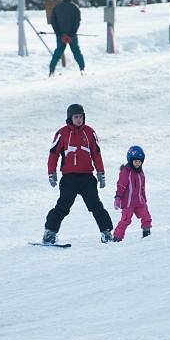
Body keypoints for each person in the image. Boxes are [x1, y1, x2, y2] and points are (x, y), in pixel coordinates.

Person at [43, 103, 113, 244]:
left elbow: (96, 154)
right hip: (69, 178)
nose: (79, 120)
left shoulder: (89, 132)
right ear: (70, 118)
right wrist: (52, 172)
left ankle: (106, 233)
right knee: (63, 206)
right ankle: (50, 233)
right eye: (76, 117)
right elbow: (53, 154)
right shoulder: (62, 133)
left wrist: (101, 173)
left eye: (81, 117)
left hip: (87, 177)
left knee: (96, 205)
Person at [113, 146, 152, 242]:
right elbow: (121, 186)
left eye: (139, 161)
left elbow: (142, 188)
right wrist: (118, 198)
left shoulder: (141, 173)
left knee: (146, 217)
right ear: (130, 160)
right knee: (126, 220)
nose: (137, 164)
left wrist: (144, 200)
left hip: (139, 202)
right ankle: (117, 237)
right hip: (128, 203)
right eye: (135, 161)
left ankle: (147, 234)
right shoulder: (126, 172)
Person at [49, 0, 85, 76]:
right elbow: (77, 21)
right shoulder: (75, 8)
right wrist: (72, 33)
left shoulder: (56, 8)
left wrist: (59, 33)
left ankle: (51, 70)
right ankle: (82, 69)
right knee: (76, 52)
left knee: (58, 52)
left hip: (60, 35)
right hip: (72, 35)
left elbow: (53, 21)